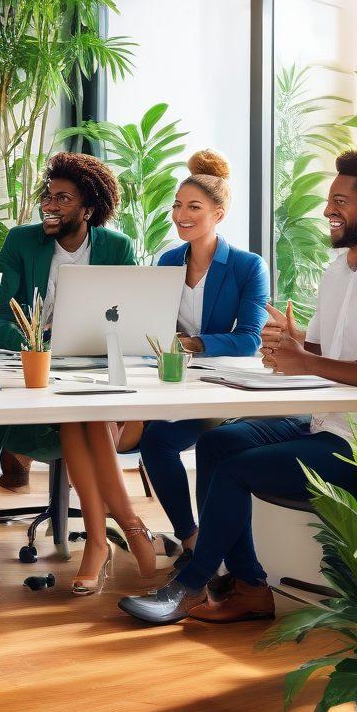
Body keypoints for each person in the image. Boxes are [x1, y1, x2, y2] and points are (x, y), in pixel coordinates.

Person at [119, 149, 357, 626]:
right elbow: (330, 349)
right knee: (217, 442)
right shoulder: (340, 271)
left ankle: (190, 586)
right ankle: (250, 587)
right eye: (330, 199)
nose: (329, 210)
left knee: (234, 470)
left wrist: (306, 358)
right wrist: (296, 340)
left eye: (340, 201)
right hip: (320, 422)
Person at [0, 151, 176, 596]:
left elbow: (130, 319)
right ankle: (129, 525)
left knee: (86, 414)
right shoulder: (21, 242)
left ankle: (100, 543)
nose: (50, 205)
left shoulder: (117, 248)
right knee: (84, 416)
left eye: (62, 198)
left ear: (88, 209)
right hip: (39, 375)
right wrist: (35, 341)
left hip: (96, 369)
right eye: (48, 195)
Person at [134, 150, 269, 573]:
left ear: (219, 213)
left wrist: (193, 343)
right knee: (155, 441)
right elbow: (155, 325)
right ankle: (190, 536)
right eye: (177, 206)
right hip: (174, 380)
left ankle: (205, 544)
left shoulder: (248, 266)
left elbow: (249, 340)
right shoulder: (168, 261)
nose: (181, 215)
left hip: (221, 387)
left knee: (162, 440)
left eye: (194, 207)